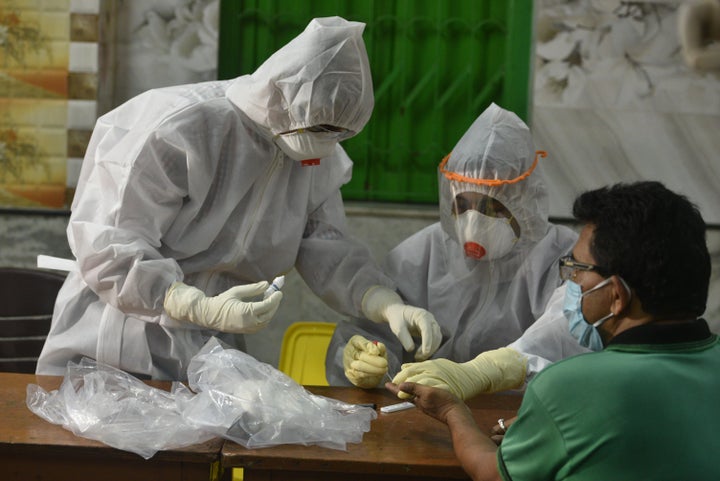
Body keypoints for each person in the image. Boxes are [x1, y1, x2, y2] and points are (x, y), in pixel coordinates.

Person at [36, 16, 441, 380]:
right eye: (320, 124)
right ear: (283, 97)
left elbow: (326, 246)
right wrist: (190, 302)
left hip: (211, 352)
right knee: (100, 458)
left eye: (340, 130)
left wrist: (382, 301)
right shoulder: (180, 128)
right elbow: (110, 243)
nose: (327, 139)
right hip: (116, 335)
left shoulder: (317, 155)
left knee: (203, 459)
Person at [388, 181, 720, 480]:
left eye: (576, 270)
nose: (569, 283)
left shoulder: (571, 387)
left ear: (616, 295)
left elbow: (491, 474)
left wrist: (452, 411)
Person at [327, 103, 578, 390]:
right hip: (424, 410)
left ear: (523, 202)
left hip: (520, 417)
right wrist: (368, 364)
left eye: (491, 206)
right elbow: (374, 331)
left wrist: (492, 371)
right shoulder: (421, 254)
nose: (473, 222)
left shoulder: (559, 257)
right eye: (463, 204)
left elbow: (566, 337)